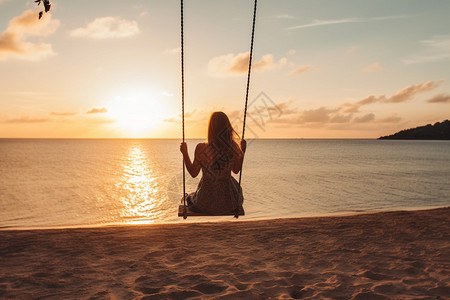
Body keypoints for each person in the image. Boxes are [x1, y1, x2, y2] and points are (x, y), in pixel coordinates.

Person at [180, 111, 246, 214]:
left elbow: (193, 173)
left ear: (210, 129)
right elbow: (236, 170)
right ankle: (189, 197)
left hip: (205, 204)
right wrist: (242, 153)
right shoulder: (233, 148)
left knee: (191, 197)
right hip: (229, 204)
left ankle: (187, 198)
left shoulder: (201, 148)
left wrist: (185, 153)